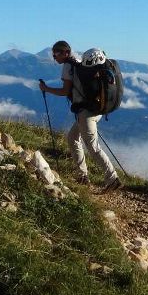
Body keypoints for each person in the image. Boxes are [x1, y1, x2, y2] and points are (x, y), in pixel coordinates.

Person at [39, 40, 122, 189]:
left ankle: (112, 178)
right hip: (95, 109)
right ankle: (82, 175)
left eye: (56, 53)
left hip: (86, 112)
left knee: (92, 146)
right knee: (72, 138)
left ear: (65, 53)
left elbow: (65, 91)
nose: (54, 57)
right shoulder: (78, 62)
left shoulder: (67, 67)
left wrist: (46, 88)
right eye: (53, 53)